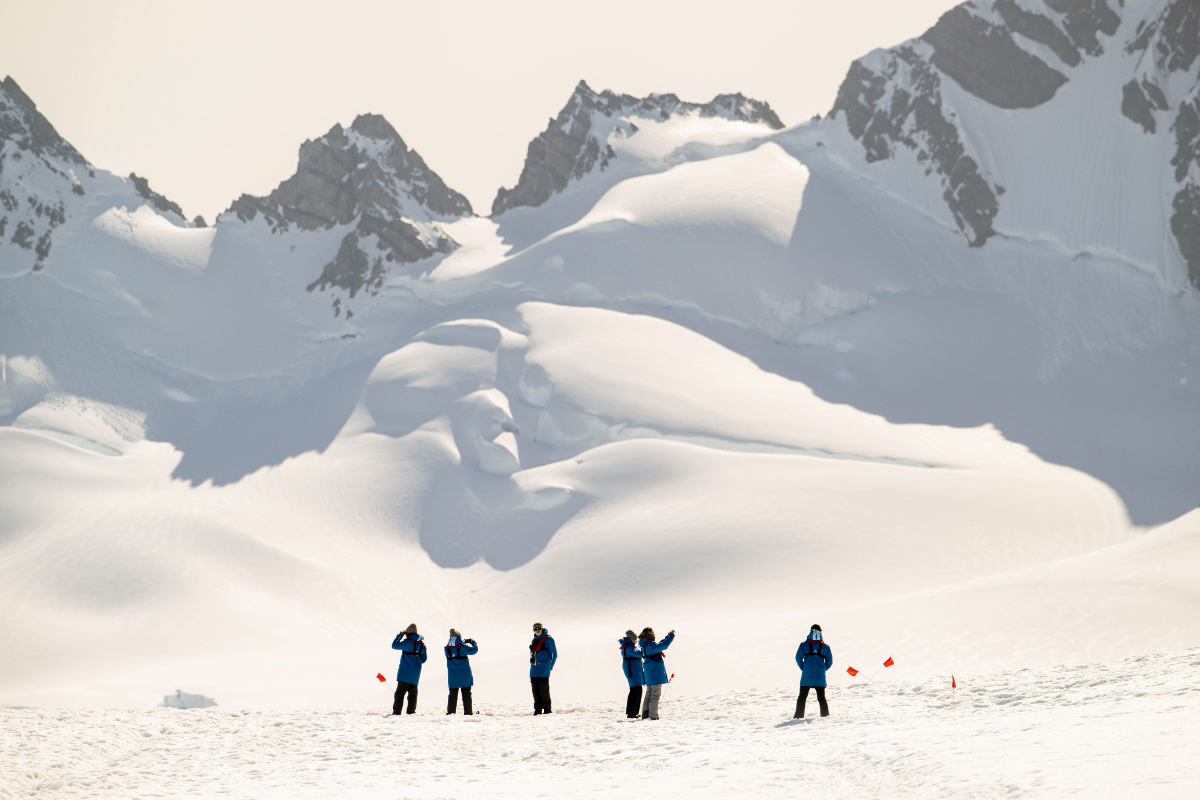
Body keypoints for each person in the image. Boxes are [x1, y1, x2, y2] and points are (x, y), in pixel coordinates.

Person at [795, 623, 832, 719]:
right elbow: (829, 662)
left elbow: (798, 658)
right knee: (821, 698)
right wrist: (822, 669)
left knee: (802, 697)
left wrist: (804, 668)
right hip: (819, 676)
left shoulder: (804, 645)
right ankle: (825, 716)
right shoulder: (825, 647)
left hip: (807, 674)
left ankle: (798, 717)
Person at [638, 627, 675, 720]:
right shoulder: (651, 645)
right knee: (655, 695)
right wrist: (671, 635)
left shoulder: (644, 645)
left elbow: (660, 645)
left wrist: (667, 636)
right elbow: (664, 645)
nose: (654, 634)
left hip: (649, 673)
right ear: (649, 634)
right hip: (655, 673)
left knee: (649, 694)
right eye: (653, 633)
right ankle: (653, 717)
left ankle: (645, 715)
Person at [390, 623, 428, 715]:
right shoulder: (422, 645)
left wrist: (400, 635)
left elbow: (394, 645)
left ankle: (397, 712)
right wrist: (416, 663)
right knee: (413, 694)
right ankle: (411, 712)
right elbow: (424, 659)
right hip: (415, 673)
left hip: (404, 672)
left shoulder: (407, 642)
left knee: (400, 693)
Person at [444, 628, 478, 715]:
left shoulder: (446, 649)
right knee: (466, 694)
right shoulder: (463, 648)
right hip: (465, 675)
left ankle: (451, 713)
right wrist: (471, 641)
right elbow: (475, 650)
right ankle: (468, 713)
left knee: (452, 695)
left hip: (453, 677)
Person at [528, 622, 557, 715]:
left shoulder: (548, 639)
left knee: (543, 689)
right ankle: (538, 709)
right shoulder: (534, 640)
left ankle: (547, 709)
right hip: (534, 669)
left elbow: (554, 654)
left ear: (542, 629)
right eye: (535, 629)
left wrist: (550, 666)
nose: (537, 631)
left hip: (544, 669)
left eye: (539, 629)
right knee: (535, 690)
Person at [619, 629, 644, 718]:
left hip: (633, 671)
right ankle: (632, 712)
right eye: (635, 639)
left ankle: (632, 711)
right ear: (631, 639)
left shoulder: (627, 646)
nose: (636, 641)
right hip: (633, 672)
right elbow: (640, 654)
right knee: (636, 691)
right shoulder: (629, 647)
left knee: (636, 690)